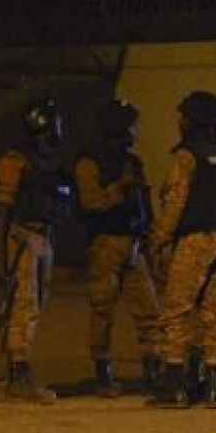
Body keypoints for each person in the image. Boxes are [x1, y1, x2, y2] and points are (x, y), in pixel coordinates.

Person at [149, 90, 216, 409]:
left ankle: (175, 385)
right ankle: (214, 388)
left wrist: (160, 238)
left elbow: (176, 202)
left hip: (195, 239)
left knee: (178, 308)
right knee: (213, 312)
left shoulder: (188, 156)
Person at [74, 99, 162, 396]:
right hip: (106, 243)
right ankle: (102, 371)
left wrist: (151, 240)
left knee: (149, 309)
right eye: (132, 124)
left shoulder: (133, 162)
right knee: (103, 309)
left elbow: (145, 204)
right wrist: (118, 189)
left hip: (134, 244)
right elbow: (90, 203)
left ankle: (154, 367)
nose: (137, 131)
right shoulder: (90, 162)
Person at [0, 97, 74, 403]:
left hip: (45, 237)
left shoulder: (51, 161)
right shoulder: (16, 161)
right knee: (24, 306)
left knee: (35, 305)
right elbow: (2, 209)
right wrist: (0, 257)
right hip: (24, 237)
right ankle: (18, 372)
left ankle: (19, 365)